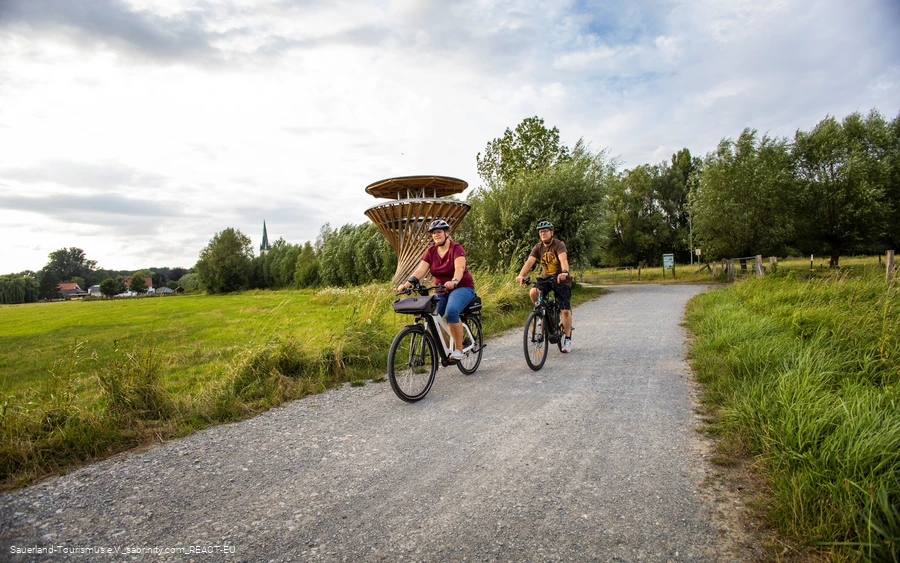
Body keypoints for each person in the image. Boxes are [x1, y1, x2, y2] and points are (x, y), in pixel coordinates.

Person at [397, 219, 476, 361]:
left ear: (446, 233)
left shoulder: (456, 248)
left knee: (451, 311)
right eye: (433, 233)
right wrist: (406, 284)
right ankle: (447, 350)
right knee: (431, 316)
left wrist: (454, 281)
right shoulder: (431, 251)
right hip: (440, 289)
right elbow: (421, 270)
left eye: (439, 232)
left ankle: (458, 349)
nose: (436, 235)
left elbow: (460, 268)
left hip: (462, 287)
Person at [515, 220, 573, 353]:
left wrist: (564, 272)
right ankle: (543, 314)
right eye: (541, 232)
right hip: (547, 278)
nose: (543, 234)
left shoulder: (559, 244)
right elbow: (529, 262)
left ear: (551, 233)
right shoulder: (538, 247)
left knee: (564, 310)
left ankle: (568, 339)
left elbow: (563, 260)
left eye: (546, 231)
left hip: (561, 279)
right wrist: (521, 275)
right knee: (533, 292)